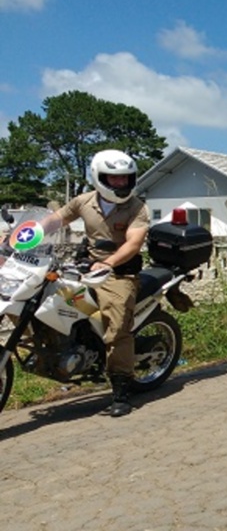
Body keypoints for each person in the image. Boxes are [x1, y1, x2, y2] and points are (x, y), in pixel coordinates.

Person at [42, 150, 149, 417]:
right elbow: (53, 222)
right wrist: (15, 241)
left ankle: (122, 389)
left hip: (119, 272)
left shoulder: (137, 207)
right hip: (86, 266)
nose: (120, 184)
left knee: (117, 325)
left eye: (125, 179)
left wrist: (109, 263)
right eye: (113, 179)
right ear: (99, 177)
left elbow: (134, 243)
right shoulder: (83, 201)